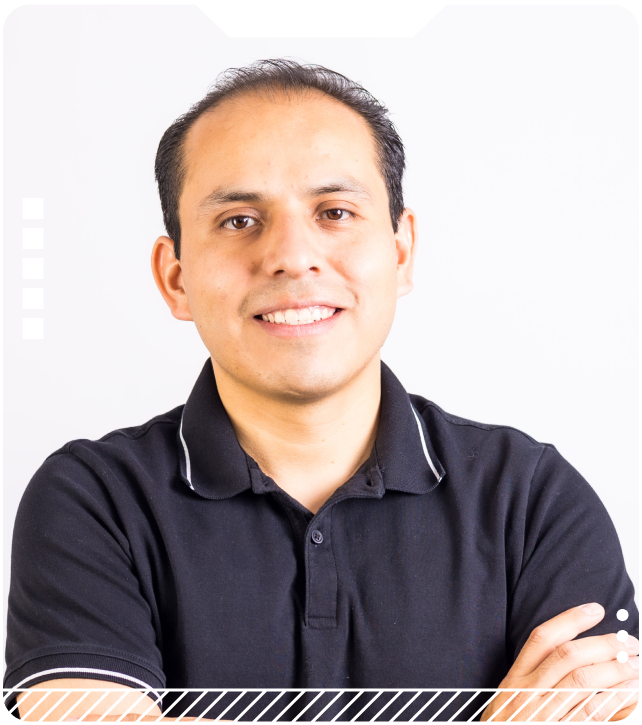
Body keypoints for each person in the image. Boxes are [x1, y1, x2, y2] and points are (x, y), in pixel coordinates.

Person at [4, 59, 638, 723]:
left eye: (335, 212)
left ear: (401, 251)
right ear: (176, 277)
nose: (292, 256)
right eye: (239, 220)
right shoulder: (93, 499)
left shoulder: (533, 499)